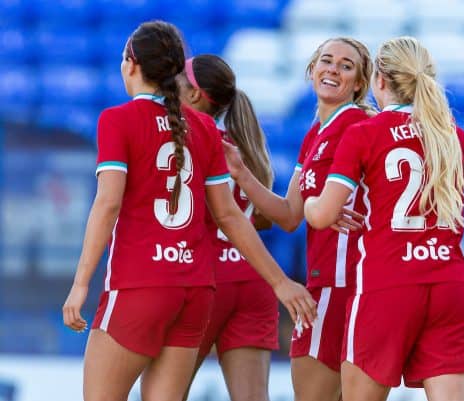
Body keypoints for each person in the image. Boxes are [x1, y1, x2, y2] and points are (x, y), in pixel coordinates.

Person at [61, 21, 316, 401]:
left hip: (139, 284)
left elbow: (108, 203)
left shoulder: (117, 119)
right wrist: (281, 282)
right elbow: (230, 217)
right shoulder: (204, 127)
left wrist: (80, 283)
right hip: (194, 291)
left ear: (131, 64)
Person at [303, 36, 464, 401]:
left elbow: (324, 215)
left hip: (386, 284)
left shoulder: (364, 133)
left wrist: (311, 202)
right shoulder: (447, 133)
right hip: (448, 285)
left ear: (379, 81)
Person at [222, 37, 374, 401]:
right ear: (311, 70)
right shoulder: (314, 136)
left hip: (343, 284)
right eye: (327, 60)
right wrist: (242, 173)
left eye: (346, 65)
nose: (333, 69)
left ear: (359, 83)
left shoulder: (358, 124)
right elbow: (290, 215)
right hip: (326, 283)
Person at [176, 54, 278, 401]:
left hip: (204, 277)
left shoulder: (186, 139)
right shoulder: (245, 146)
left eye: (177, 79)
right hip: (253, 279)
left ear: (193, 94)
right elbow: (262, 218)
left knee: (163, 394)